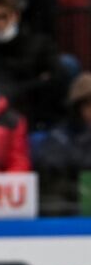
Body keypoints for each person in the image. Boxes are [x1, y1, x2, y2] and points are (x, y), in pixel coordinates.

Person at [0, 0, 67, 130]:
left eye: (3, 16)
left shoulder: (40, 45)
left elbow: (55, 80)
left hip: (38, 116)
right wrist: (36, 81)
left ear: (15, 16)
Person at [33, 72, 91, 212]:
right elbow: (51, 169)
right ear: (77, 108)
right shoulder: (58, 137)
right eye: (89, 105)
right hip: (70, 212)